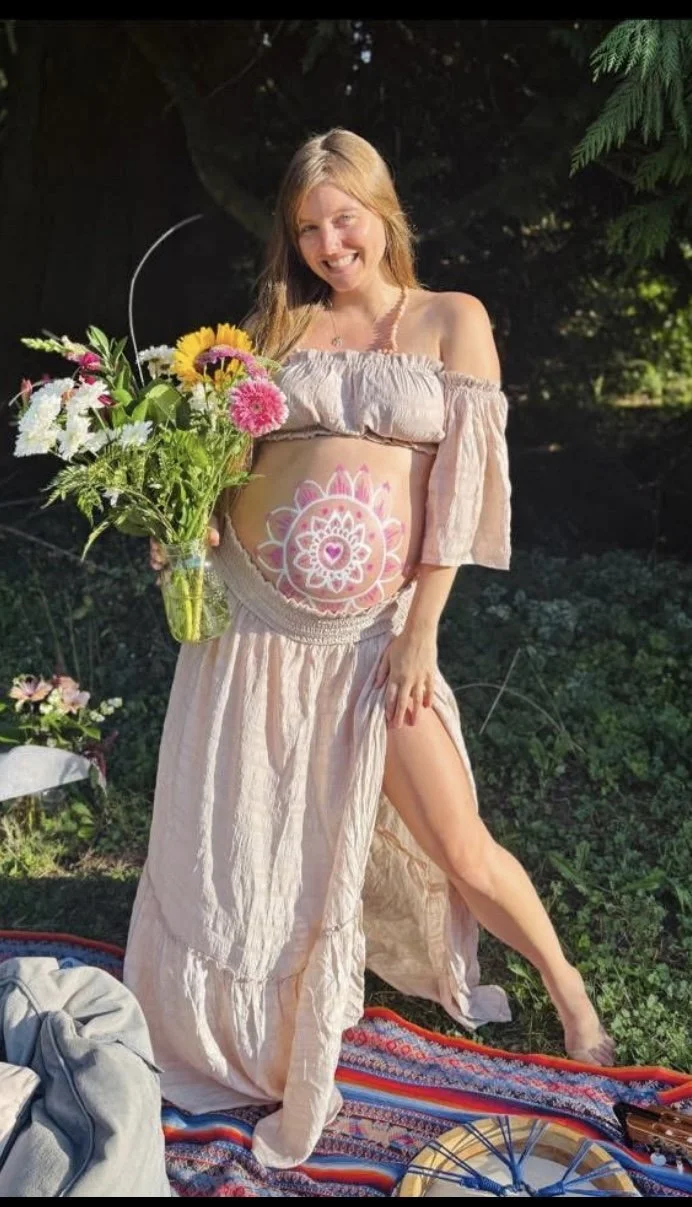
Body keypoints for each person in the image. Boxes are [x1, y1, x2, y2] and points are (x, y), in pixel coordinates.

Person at [123, 127, 615, 1170]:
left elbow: (456, 495)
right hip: (254, 633)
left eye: (342, 219)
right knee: (247, 836)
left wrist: (420, 633)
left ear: (382, 210)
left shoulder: (450, 321)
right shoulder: (276, 326)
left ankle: (570, 999)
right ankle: (241, 1027)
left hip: (370, 643)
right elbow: (224, 468)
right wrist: (183, 522)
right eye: (306, 229)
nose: (327, 244)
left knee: (458, 841)